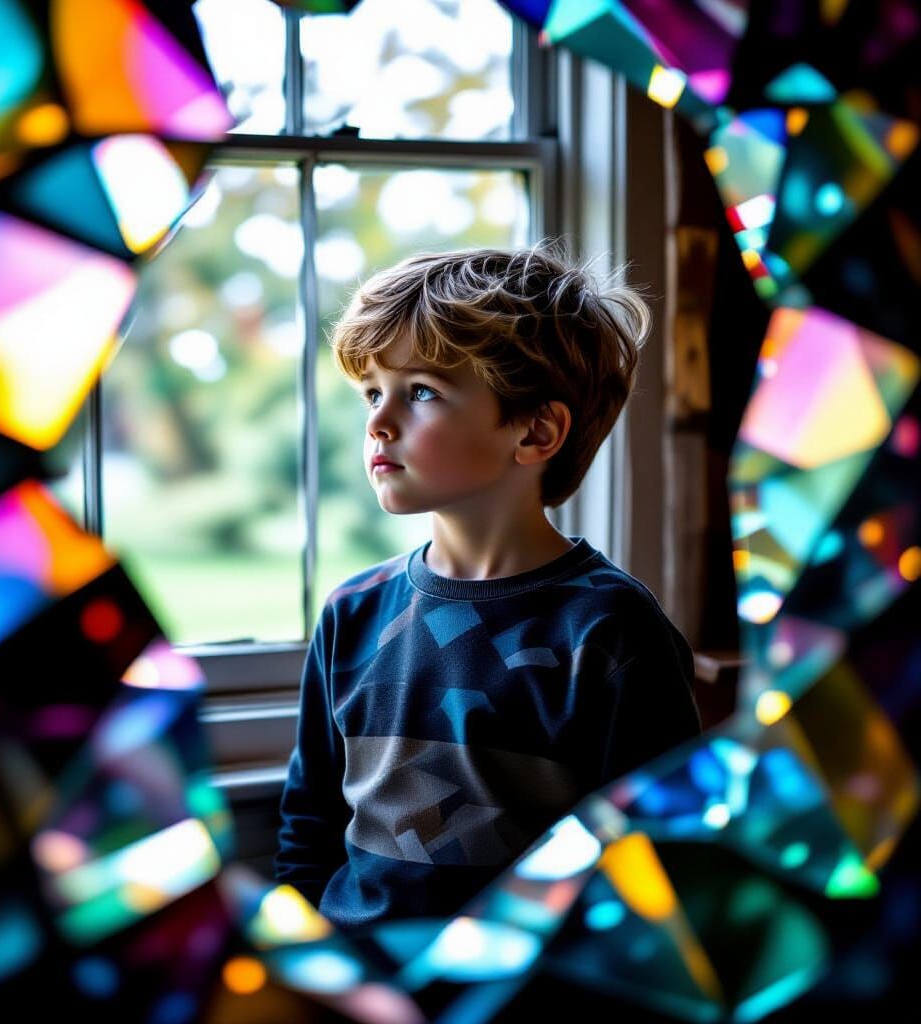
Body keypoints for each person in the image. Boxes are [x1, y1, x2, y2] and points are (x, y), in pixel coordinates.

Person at [273, 242, 702, 932]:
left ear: (535, 430)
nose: (379, 423)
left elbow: (652, 867)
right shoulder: (351, 612)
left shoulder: (608, 631)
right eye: (372, 393)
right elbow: (309, 823)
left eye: (420, 393)